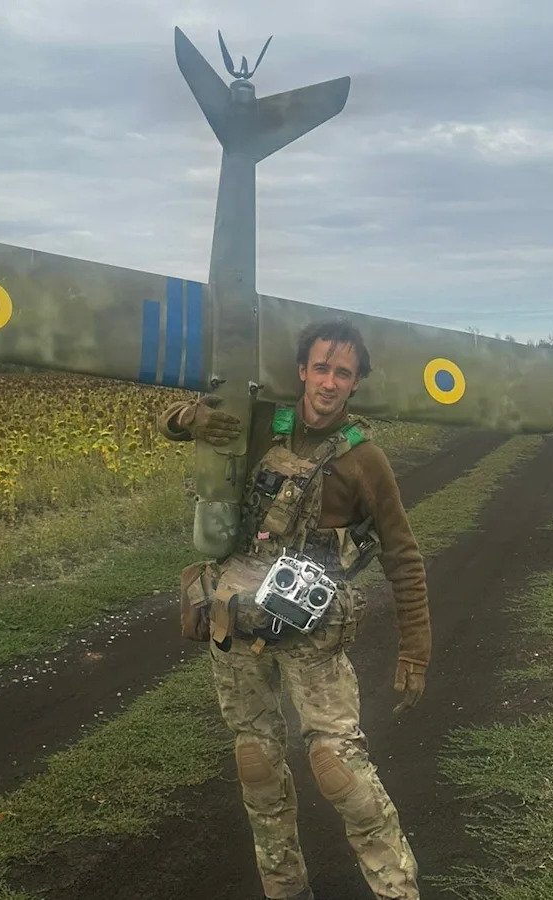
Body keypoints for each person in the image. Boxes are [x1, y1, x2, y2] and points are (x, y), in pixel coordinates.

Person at [157, 318, 430, 900]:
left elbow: (403, 556)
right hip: (238, 621)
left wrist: (415, 650)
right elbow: (169, 422)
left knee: (339, 768)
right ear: (303, 370)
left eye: (343, 373)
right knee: (256, 763)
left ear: (355, 383)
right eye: (321, 368)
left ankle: (397, 890)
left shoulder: (365, 459)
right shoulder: (262, 424)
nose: (329, 382)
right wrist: (192, 419)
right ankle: (285, 889)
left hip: (314, 632)